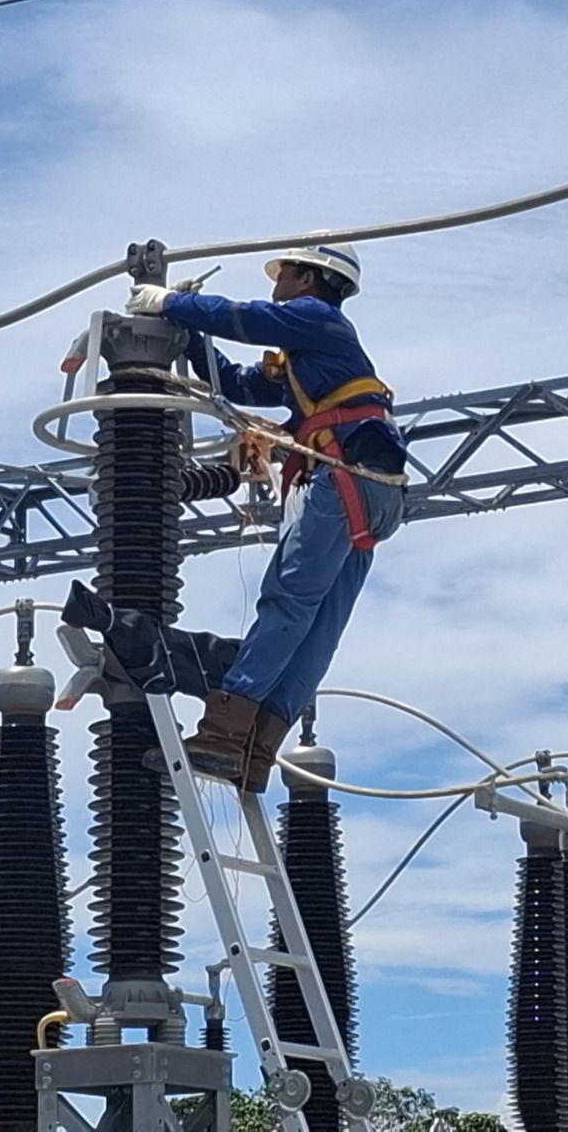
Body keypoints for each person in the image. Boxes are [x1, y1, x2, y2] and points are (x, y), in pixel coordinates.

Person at [123, 242, 406, 792]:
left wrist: (169, 306)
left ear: (308, 278)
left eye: (285, 274)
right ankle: (255, 751)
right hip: (379, 492)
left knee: (289, 602)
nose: (277, 283)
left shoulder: (317, 319)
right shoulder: (310, 358)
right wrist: (189, 332)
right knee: (318, 626)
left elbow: (247, 319)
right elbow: (234, 382)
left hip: (346, 480)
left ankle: (224, 735)